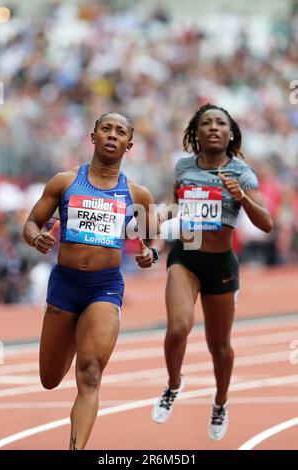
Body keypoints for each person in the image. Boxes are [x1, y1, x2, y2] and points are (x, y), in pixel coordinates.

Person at [23, 112, 159, 450]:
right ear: (93, 136)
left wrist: (151, 255)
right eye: (106, 129)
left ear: (130, 144)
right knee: (50, 379)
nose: (113, 135)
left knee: (91, 373)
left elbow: (154, 239)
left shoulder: (137, 194)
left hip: (105, 287)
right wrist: (36, 238)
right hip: (64, 287)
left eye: (121, 132)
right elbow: (31, 223)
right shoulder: (64, 182)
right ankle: (69, 340)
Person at [151, 103, 273, 441]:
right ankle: (174, 384)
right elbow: (174, 203)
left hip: (221, 266)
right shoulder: (184, 166)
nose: (214, 127)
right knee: (177, 328)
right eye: (207, 123)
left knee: (219, 346)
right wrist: (159, 229)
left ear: (231, 133)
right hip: (186, 257)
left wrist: (243, 199)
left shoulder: (242, 172)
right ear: (197, 133)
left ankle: (220, 401)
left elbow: (266, 223)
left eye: (221, 123)